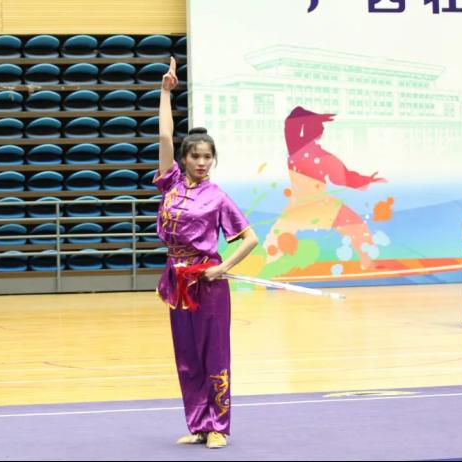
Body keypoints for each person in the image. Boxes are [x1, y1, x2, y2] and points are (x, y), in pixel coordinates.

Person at [155, 57, 259, 449]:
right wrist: (165, 93)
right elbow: (165, 137)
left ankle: (218, 426)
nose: (202, 162)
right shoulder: (170, 184)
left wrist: (221, 268)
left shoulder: (217, 197)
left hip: (207, 281)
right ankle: (198, 423)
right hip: (176, 280)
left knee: (214, 353)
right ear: (184, 159)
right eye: (195, 156)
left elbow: (250, 238)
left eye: (207, 157)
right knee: (186, 356)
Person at [263, 106, 386, 269]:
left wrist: (313, 117)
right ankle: (367, 262)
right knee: (356, 226)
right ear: (320, 134)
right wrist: (366, 180)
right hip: (320, 205)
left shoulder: (295, 148)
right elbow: (344, 178)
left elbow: (291, 121)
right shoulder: (322, 156)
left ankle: (265, 263)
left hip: (299, 206)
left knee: (276, 237)